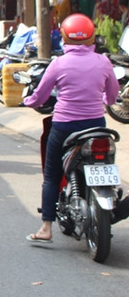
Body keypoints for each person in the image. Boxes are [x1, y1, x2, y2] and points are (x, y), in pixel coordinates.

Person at [24, 14, 119, 244]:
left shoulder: (59, 63)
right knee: (105, 160)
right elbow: (113, 95)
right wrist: (104, 97)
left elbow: (41, 95)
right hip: (96, 125)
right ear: (92, 36)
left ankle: (46, 227)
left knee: (51, 175)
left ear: (64, 36)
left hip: (65, 126)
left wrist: (28, 101)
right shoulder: (104, 61)